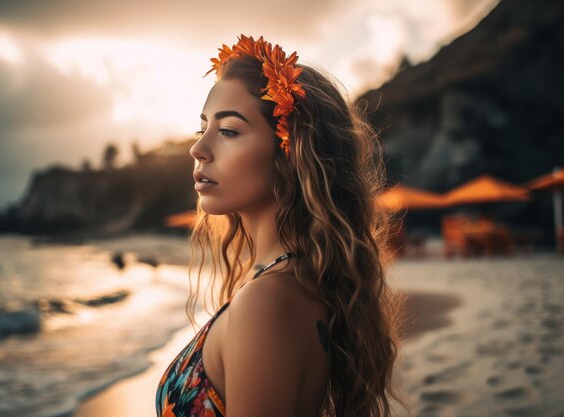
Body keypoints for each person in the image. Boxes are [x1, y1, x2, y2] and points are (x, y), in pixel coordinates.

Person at [156, 34, 407, 417]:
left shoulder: (267, 301)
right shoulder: (286, 282)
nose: (198, 149)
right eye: (202, 128)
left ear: (291, 153)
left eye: (228, 131)